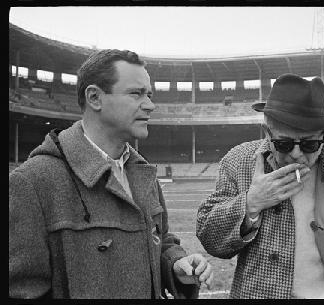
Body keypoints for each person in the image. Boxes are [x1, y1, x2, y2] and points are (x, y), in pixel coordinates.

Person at [9, 49, 213, 299]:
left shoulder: (143, 172)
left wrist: (174, 264)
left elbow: (159, 241)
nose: (150, 105)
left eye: (149, 94)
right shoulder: (32, 182)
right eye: (136, 93)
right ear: (95, 97)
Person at [196, 73, 324, 299]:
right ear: (267, 131)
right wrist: (250, 203)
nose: (296, 155)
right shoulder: (239, 160)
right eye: (284, 144)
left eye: (309, 144)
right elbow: (211, 239)